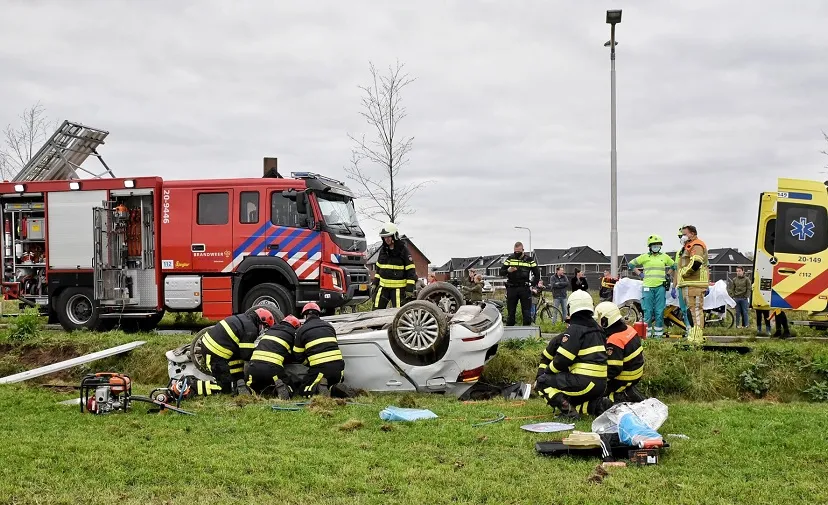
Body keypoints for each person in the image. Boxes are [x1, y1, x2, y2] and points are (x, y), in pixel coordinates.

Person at [535, 290, 610, 419]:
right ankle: (597, 405)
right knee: (571, 395)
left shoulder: (575, 329)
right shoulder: (598, 329)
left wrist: (547, 372)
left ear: (570, 308)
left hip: (584, 382)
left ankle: (568, 412)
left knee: (542, 382)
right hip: (601, 384)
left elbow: (562, 360)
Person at [196, 308, 275, 396]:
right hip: (215, 353)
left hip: (212, 347)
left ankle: (237, 382)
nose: (263, 332)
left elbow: (240, 354)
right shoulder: (251, 330)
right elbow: (247, 355)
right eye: (266, 328)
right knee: (225, 388)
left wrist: (240, 377)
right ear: (261, 323)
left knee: (238, 362)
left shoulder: (245, 319)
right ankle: (192, 386)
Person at [594, 302, 645, 404]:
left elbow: (614, 369)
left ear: (605, 321)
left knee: (597, 392)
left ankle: (620, 396)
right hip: (636, 373)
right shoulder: (629, 329)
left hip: (624, 377)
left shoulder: (615, 340)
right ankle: (629, 390)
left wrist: (597, 375)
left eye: (598, 320)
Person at [628, 235, 676, 339]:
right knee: (647, 311)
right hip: (647, 287)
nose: (656, 247)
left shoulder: (664, 257)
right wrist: (640, 274)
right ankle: (647, 335)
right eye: (654, 245)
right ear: (650, 246)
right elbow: (631, 264)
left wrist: (668, 274)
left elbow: (674, 265)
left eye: (658, 245)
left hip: (660, 287)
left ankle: (658, 337)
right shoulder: (644, 256)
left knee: (659, 312)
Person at [293, 302, 345, 397]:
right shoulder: (329, 326)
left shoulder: (301, 330)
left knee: (304, 391)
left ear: (305, 316)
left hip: (320, 370)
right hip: (339, 369)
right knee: (330, 384)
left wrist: (309, 363)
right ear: (318, 314)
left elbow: (298, 355)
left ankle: (317, 388)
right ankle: (334, 388)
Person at [246, 315, 301, 399]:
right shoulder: (293, 334)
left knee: (255, 385)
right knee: (288, 383)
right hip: (273, 369)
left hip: (253, 367)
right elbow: (295, 355)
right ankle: (283, 388)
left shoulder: (268, 331)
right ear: (296, 327)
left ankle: (247, 389)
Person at [372, 222, 417, 310]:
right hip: (383, 288)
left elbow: (411, 270)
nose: (386, 239)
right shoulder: (383, 250)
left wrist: (409, 288)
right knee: (376, 310)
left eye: (389, 236)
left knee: (399, 312)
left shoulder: (403, 250)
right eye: (385, 237)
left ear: (394, 236)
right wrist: (375, 284)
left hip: (398, 289)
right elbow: (378, 270)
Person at [678, 225, 709, 344]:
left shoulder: (696, 245)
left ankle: (697, 336)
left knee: (696, 309)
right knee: (691, 310)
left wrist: (685, 273)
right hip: (688, 283)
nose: (682, 236)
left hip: (695, 283)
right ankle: (693, 334)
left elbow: (696, 262)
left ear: (692, 233)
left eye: (684, 234)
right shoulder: (687, 246)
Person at [500, 242, 540, 326]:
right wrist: (508, 270)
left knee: (526, 312)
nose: (516, 253)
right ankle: (510, 332)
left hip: (524, 288)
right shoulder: (510, 258)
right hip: (512, 288)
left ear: (523, 250)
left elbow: (537, 274)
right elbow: (501, 272)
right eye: (515, 251)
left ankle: (527, 332)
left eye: (518, 251)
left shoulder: (529, 260)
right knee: (511, 312)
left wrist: (532, 284)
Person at [672, 227, 691, 336]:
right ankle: (688, 330)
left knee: (692, 309)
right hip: (681, 285)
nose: (681, 238)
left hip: (692, 284)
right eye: (680, 237)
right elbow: (677, 270)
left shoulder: (695, 249)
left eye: (683, 236)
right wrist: (674, 286)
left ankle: (695, 330)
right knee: (684, 309)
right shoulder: (679, 252)